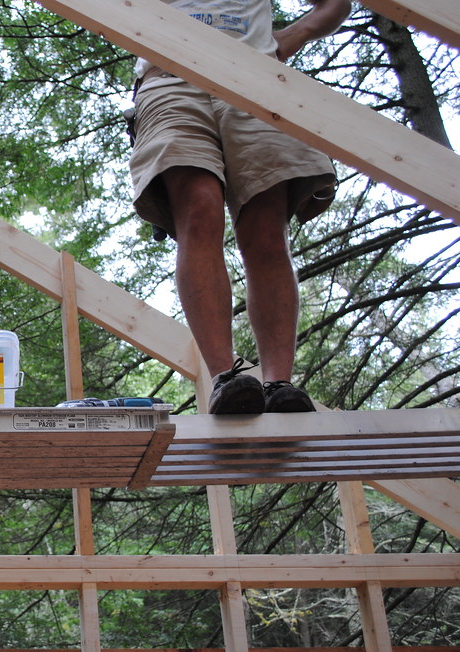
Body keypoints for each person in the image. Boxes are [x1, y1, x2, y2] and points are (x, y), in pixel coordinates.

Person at [127, 0, 352, 414]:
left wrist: (289, 37)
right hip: (169, 77)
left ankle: (278, 384)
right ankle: (226, 379)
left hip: (256, 75)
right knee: (199, 206)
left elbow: (336, 4)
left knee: (266, 230)